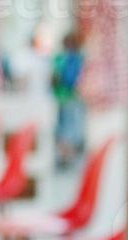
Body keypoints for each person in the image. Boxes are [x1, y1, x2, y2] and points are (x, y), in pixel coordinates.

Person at [52, 31, 86, 168]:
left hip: (62, 96)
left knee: (64, 127)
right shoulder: (78, 58)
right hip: (72, 97)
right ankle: (68, 156)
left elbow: (56, 78)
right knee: (71, 127)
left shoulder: (61, 59)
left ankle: (65, 156)